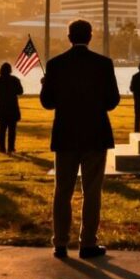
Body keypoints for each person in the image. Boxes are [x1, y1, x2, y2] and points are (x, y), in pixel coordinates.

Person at [40, 19, 120, 260]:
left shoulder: (55, 65)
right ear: (90, 36)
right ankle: (87, 244)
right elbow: (112, 101)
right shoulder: (103, 64)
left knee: (62, 191)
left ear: (69, 37)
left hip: (65, 134)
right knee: (92, 191)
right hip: (95, 134)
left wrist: (47, 86)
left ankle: (60, 243)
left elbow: (48, 103)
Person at [0, 63, 23, 153]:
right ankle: (11, 147)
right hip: (13, 107)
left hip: (2, 107)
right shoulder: (15, 80)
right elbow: (20, 91)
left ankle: (2, 148)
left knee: (2, 129)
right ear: (10, 70)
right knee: (12, 130)